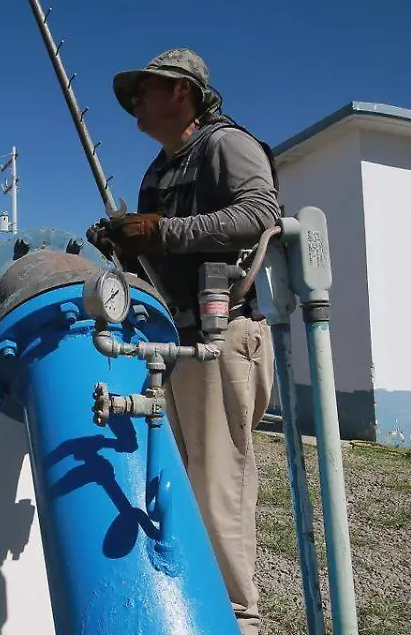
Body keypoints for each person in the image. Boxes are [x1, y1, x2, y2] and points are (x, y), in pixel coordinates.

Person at [87, 48, 281, 635]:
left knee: (218, 484)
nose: (135, 104)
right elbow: (153, 249)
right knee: (180, 481)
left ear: (182, 92)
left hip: (223, 333)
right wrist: (124, 242)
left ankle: (238, 619)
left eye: (145, 90)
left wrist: (164, 232)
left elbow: (261, 212)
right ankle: (194, 605)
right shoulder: (158, 172)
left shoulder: (225, 144)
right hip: (178, 339)